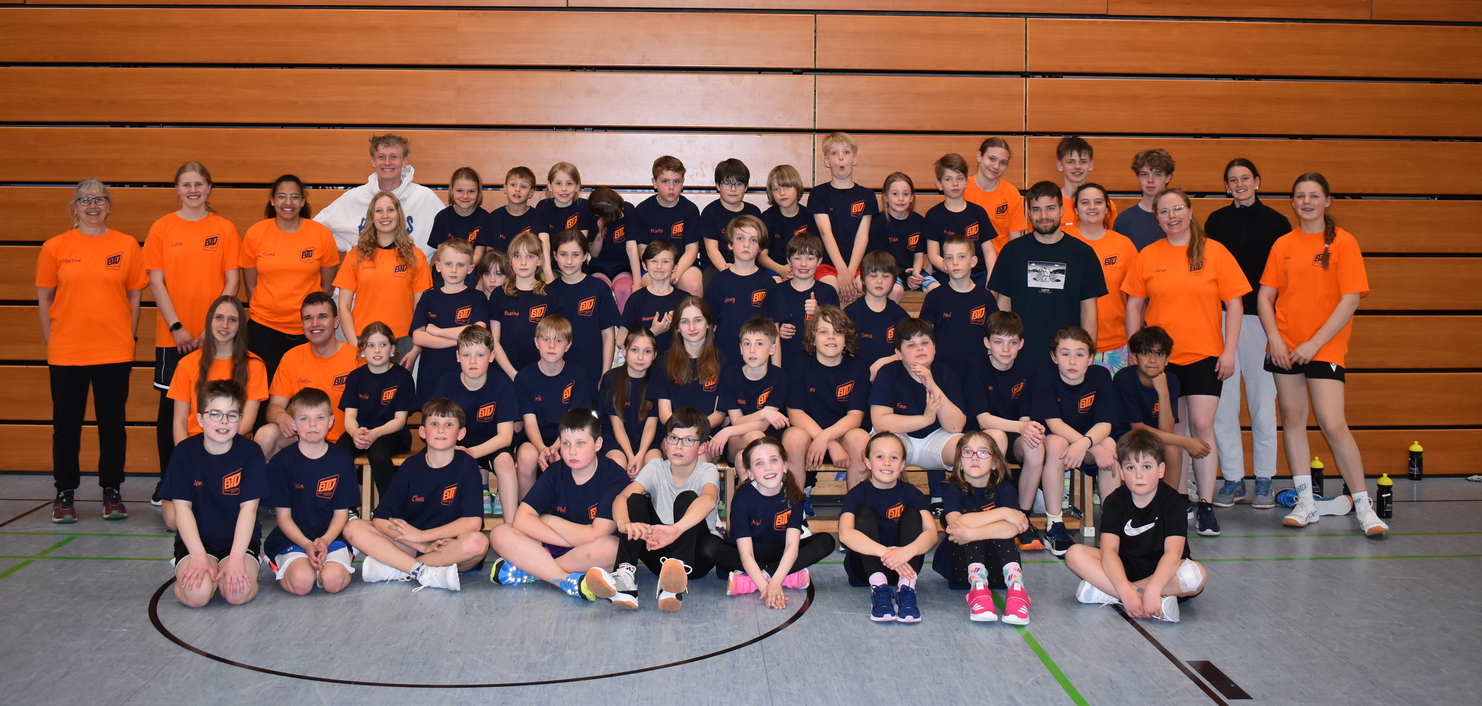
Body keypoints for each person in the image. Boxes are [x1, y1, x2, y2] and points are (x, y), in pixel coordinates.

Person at [1259, 173, 1386, 535]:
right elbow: (1265, 297)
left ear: (1327, 201)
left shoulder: (1344, 242)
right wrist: (1275, 339)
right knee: (1293, 418)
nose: (1307, 202)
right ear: (1293, 202)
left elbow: (1350, 300)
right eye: (1300, 196)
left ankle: (1364, 507)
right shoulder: (1283, 243)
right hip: (1285, 346)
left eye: (1314, 195)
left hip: (1324, 345)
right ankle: (1306, 503)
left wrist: (1314, 344)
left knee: (1332, 423)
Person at [1123, 188, 1250, 538]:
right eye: (1164, 211)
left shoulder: (1215, 252)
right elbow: (1134, 305)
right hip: (1161, 360)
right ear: (1157, 218)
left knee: (1201, 425)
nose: (1172, 216)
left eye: (1178, 208)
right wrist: (1136, 350)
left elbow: (1235, 304)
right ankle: (1175, 502)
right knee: (1172, 432)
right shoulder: (1149, 255)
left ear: (1190, 211)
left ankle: (1205, 505)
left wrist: (1229, 351)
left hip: (1206, 354)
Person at [37, 179, 148, 523]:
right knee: (66, 427)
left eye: (99, 199)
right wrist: (53, 340)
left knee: (112, 425)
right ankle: (64, 493)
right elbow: (44, 298)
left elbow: (134, 296)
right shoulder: (55, 247)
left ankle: (111, 491)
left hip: (114, 351)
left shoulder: (126, 245)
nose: (93, 206)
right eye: (85, 200)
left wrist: (127, 337)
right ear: (75, 207)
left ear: (108, 205)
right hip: (67, 351)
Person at [145, 162, 243, 494]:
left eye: (198, 184)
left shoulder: (224, 228)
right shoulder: (162, 228)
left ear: (209, 187)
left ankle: (218, 480)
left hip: (216, 337)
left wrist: (209, 328)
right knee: (171, 410)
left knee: (220, 406)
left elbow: (232, 282)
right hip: (172, 337)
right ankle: (169, 480)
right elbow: (156, 282)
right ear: (177, 189)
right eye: (186, 185)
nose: (192, 190)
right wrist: (177, 327)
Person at [1206, 158, 1290, 511]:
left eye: (1245, 178)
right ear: (1226, 186)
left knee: (1262, 403)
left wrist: (1277, 330)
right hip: (1222, 320)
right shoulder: (1216, 221)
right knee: (1223, 405)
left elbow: (1284, 279)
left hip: (1261, 321)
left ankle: (1265, 478)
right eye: (1232, 180)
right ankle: (1233, 478)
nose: (1239, 184)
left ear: (1257, 181)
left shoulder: (1277, 222)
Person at [341, 397, 490, 591]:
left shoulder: (467, 465)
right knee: (353, 528)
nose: (441, 429)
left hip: (448, 547)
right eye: (434, 424)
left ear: (461, 434)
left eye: (449, 424)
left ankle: (400, 568)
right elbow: (381, 519)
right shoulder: (410, 466)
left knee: (478, 543)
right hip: (412, 545)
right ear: (422, 432)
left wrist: (423, 536)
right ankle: (421, 570)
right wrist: (421, 544)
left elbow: (473, 522)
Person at [1064, 430, 1208, 624]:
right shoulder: (1114, 501)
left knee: (1196, 575)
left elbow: (1173, 554)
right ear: (1122, 473)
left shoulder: (1173, 502)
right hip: (1123, 570)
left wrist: (1154, 589)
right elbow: (1108, 552)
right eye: (1131, 468)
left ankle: (1109, 593)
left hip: (1165, 576)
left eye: (1146, 467)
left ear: (1161, 470)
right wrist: (1125, 590)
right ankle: (1137, 598)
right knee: (1074, 554)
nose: (1139, 475)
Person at [586, 407, 721, 611]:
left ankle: (674, 583)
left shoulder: (707, 470)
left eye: (688, 440)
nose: (679, 446)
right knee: (634, 499)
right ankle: (625, 579)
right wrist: (624, 524)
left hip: (695, 560)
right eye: (673, 438)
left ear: (702, 447)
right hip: (659, 554)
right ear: (665, 443)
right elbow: (621, 498)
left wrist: (675, 530)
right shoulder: (656, 467)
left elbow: (709, 499)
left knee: (687, 498)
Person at [487, 409, 629, 600]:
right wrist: (566, 539)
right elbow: (521, 519)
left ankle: (532, 569)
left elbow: (597, 534)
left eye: (581, 443)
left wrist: (548, 520)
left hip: (589, 549)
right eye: (566, 443)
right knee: (500, 533)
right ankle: (563, 580)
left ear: (598, 444)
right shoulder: (556, 472)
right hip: (556, 542)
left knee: (613, 549)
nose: (572, 452)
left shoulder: (614, 476)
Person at [161, 296, 268, 526]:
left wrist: (218, 447)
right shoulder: (187, 364)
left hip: (232, 448)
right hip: (195, 448)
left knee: (224, 516)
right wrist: (187, 456)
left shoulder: (254, 365)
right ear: (209, 322)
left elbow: (247, 422)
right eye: (219, 317)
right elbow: (179, 421)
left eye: (232, 320)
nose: (225, 325)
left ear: (240, 326)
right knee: (172, 521)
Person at [160, 381, 266, 607]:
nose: (224, 421)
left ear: (240, 419)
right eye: (215, 414)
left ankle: (237, 569)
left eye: (232, 415)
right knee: (197, 596)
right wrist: (198, 555)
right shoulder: (184, 452)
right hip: (197, 543)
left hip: (239, 544)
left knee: (236, 594)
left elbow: (248, 510)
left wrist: (236, 558)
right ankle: (197, 572)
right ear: (200, 419)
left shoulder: (251, 453)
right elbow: (182, 509)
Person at [701, 438, 834, 606]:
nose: (768, 467)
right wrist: (767, 588)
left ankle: (752, 579)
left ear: (784, 465)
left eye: (774, 460)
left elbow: (791, 546)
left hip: (779, 553)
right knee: (707, 545)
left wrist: (774, 582)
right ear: (750, 473)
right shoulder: (742, 497)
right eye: (759, 463)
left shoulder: (794, 495)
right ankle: (785, 576)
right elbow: (746, 554)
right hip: (746, 555)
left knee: (826, 541)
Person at [987, 181, 1106, 362]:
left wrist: (1087, 354)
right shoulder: (1012, 251)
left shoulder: (1083, 254)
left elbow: (1089, 310)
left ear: (1061, 210)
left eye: (1050, 208)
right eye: (1036, 210)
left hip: (1067, 359)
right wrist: (1001, 353)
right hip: (1020, 357)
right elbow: (1003, 306)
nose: (1043, 216)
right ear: (1029, 213)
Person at [1031, 326, 1123, 556]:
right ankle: (1054, 524)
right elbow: (1054, 424)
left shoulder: (1100, 376)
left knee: (1110, 447)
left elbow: (1105, 424)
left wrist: (1086, 445)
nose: (1072, 361)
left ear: (1090, 359)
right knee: (1057, 444)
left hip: (1089, 441)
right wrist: (1087, 446)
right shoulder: (1045, 374)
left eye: (1080, 354)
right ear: (1054, 357)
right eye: (1065, 354)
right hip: (1060, 441)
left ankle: (1112, 529)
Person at [963, 311, 1047, 551]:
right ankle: (986, 510)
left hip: (1013, 433)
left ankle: (1023, 519)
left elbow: (1024, 417)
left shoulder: (1028, 370)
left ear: (1021, 344)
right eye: (999, 342)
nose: (1006, 349)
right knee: (997, 436)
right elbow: (983, 420)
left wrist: (1030, 429)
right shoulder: (976, 366)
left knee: (1035, 445)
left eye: (1012, 342)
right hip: (981, 435)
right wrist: (1021, 426)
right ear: (987, 342)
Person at [240, 175, 339, 380]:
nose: (288, 202)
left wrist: (312, 319)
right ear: (272, 201)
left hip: (309, 330)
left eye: (294, 197)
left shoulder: (320, 234)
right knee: (263, 391)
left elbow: (327, 287)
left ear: (302, 201)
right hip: (264, 329)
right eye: (281, 196)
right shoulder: (256, 233)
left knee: (307, 392)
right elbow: (250, 286)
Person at [264, 387, 359, 596]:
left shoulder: (342, 461)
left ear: (331, 421)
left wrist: (325, 541)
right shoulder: (281, 464)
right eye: (304, 419)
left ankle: (341, 558)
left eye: (320, 418)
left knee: (332, 582)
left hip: (332, 537)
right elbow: (283, 518)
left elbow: (341, 514)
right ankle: (281, 563)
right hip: (293, 538)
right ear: (293, 423)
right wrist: (307, 545)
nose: (312, 424)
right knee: (302, 583)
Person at [932, 431, 1032, 625]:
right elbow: (956, 523)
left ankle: (1017, 590)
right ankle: (978, 591)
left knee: (979, 518)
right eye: (967, 452)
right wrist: (1003, 513)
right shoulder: (952, 488)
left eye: (983, 452)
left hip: (999, 572)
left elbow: (1014, 529)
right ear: (959, 462)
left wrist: (971, 533)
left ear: (995, 463)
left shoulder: (1005, 489)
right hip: (961, 570)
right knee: (973, 510)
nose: (975, 457)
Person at [839, 432, 938, 623]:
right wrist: (886, 553)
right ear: (868, 463)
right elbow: (845, 534)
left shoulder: (911, 493)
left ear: (902, 465)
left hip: (904, 569)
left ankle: (907, 589)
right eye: (879, 456)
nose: (887, 463)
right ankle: (879, 589)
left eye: (894, 457)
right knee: (864, 512)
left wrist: (907, 552)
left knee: (913, 514)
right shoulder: (857, 494)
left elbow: (932, 533)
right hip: (864, 571)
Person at [868, 318, 967, 500]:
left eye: (925, 343)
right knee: (884, 447)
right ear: (899, 353)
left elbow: (955, 426)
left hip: (935, 438)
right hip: (900, 437)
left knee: (966, 449)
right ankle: (886, 504)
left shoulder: (946, 373)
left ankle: (965, 504)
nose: (920, 348)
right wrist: (925, 419)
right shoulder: (888, 373)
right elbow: (881, 422)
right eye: (911, 345)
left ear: (934, 348)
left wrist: (932, 385)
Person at [255, 292, 361, 461]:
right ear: (302, 324)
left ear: (336, 322)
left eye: (322, 317)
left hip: (346, 443)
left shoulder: (356, 359)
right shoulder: (292, 358)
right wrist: (282, 417)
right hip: (303, 439)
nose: (315, 323)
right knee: (265, 436)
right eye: (308, 318)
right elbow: (274, 406)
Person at [332, 191, 434, 356]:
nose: (385, 215)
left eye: (390, 210)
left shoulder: (416, 256)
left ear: (399, 215)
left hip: (403, 341)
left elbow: (421, 308)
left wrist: (416, 348)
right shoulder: (355, 256)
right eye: (379, 211)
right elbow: (343, 306)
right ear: (371, 217)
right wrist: (354, 344)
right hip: (364, 339)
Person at [433, 326, 518, 520]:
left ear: (491, 356)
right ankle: (439, 522)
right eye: (466, 355)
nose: (472, 361)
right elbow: (436, 427)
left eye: (479, 355)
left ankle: (512, 526)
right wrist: (453, 449)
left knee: (505, 461)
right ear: (458, 356)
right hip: (454, 445)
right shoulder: (446, 384)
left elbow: (505, 437)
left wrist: (471, 452)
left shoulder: (502, 384)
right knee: (434, 458)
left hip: (490, 444)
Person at [782, 306, 873, 489]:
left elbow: (855, 417)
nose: (831, 337)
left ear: (846, 339)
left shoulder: (859, 368)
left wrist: (828, 438)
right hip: (809, 434)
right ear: (813, 338)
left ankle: (858, 505)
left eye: (837, 332)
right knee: (793, 439)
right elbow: (795, 414)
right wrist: (827, 442)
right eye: (823, 332)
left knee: (861, 441)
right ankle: (795, 504)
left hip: (843, 435)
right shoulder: (798, 366)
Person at [315, 133, 445, 257]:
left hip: (413, 270)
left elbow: (449, 236)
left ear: (404, 161)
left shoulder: (424, 198)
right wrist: (349, 246)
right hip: (368, 270)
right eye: (381, 157)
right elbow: (317, 228)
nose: (387, 162)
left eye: (393, 157)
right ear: (373, 161)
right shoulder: (354, 197)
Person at [1111, 326, 1211, 475]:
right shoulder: (1125, 378)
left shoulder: (1171, 380)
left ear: (1167, 360)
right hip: (1124, 437)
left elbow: (1166, 430)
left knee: (1172, 449)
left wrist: (1163, 392)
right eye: (1145, 353)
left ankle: (1168, 492)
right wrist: (1186, 441)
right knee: (1170, 445)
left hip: (1153, 438)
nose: (1152, 360)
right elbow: (1137, 428)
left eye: (1159, 354)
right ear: (1134, 358)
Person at [515, 315, 598, 481]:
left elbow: (574, 422)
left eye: (559, 341)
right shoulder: (524, 377)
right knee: (526, 457)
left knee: (576, 451)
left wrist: (556, 447)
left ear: (568, 345)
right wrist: (542, 449)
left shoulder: (578, 376)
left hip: (569, 436)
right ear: (536, 342)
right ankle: (526, 499)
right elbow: (529, 422)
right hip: (534, 438)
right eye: (546, 339)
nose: (551, 346)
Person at [337, 322, 416, 495]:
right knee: (340, 452)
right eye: (371, 345)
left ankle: (389, 503)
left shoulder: (402, 377)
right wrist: (355, 433)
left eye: (383, 345)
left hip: (392, 434)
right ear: (362, 351)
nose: (377, 350)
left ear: (392, 349)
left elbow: (400, 420)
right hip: (361, 432)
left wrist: (376, 433)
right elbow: (349, 417)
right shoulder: (355, 377)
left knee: (378, 453)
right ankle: (348, 504)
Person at [1069, 183, 1139, 373]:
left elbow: (1136, 300)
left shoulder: (1123, 245)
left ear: (1107, 208)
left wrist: (1134, 344)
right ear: (1075, 209)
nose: (1092, 207)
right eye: (1085, 202)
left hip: (1115, 347)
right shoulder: (1062, 241)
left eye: (1098, 202)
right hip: (1069, 347)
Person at [410, 238, 488, 402]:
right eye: (448, 264)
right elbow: (418, 337)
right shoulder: (428, 297)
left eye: (460, 265)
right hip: (432, 373)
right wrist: (461, 340)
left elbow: (478, 331)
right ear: (438, 266)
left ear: (470, 268)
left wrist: (437, 332)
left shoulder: (477, 297)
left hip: (464, 374)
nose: (454, 270)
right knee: (433, 415)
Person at [920, 234, 998, 383]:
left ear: (973, 261)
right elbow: (924, 337)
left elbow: (994, 336)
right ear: (944, 264)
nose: (955, 262)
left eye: (961, 257)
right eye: (949, 258)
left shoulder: (985, 298)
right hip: (943, 375)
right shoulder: (934, 297)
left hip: (978, 375)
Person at [711, 316, 790, 464]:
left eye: (759, 344)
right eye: (747, 343)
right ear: (741, 349)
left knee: (749, 453)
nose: (752, 350)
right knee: (756, 438)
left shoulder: (780, 377)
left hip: (768, 438)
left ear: (772, 349)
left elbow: (764, 424)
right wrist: (763, 413)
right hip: (738, 438)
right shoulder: (730, 376)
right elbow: (736, 421)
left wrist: (726, 431)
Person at [808, 132, 876, 302]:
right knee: (830, 288)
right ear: (826, 161)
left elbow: (862, 236)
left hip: (857, 264)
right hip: (827, 263)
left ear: (854, 158)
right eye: (834, 153)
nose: (840, 157)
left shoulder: (867, 195)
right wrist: (841, 270)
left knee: (870, 287)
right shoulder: (818, 194)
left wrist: (850, 272)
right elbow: (825, 232)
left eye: (846, 152)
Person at [548, 228, 621, 375]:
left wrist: (605, 374)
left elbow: (608, 336)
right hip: (557, 372)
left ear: (585, 256)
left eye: (575, 255)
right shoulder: (548, 292)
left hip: (592, 370)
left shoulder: (599, 289)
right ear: (555, 256)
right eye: (563, 254)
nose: (569, 261)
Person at [628, 155, 703, 296]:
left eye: (676, 181)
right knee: (656, 288)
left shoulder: (690, 209)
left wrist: (678, 271)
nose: (671, 187)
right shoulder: (643, 210)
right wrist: (661, 268)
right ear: (654, 183)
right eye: (665, 181)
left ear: (683, 182)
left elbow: (692, 249)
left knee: (694, 286)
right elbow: (643, 249)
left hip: (683, 264)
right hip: (653, 266)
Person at [764, 233, 840, 366]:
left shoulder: (828, 292)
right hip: (786, 362)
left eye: (810, 258)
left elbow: (838, 330)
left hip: (818, 365)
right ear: (789, 261)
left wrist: (818, 313)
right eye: (797, 258)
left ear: (819, 261)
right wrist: (778, 331)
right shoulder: (777, 291)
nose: (803, 264)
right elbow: (765, 328)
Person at [652, 296, 727, 430]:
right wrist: (684, 434)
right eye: (685, 322)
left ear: (708, 324)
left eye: (698, 320)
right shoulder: (663, 363)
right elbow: (664, 414)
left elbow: (719, 414)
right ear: (677, 327)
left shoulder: (723, 361)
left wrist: (695, 433)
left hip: (709, 434)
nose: (692, 328)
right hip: (675, 433)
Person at [703, 214, 774, 355]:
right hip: (723, 359)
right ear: (730, 244)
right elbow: (709, 327)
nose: (746, 244)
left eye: (753, 240)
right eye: (740, 238)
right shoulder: (717, 283)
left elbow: (774, 329)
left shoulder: (768, 283)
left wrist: (776, 367)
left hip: (758, 359)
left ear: (760, 247)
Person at [925, 153, 996, 286]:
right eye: (948, 179)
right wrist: (954, 270)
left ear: (967, 182)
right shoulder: (933, 215)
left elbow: (989, 251)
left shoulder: (978, 212)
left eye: (959, 178)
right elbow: (933, 255)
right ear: (939, 185)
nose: (955, 183)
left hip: (978, 274)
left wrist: (992, 279)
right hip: (947, 274)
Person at [601, 328, 663, 477]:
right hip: (616, 439)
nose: (640, 357)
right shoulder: (611, 379)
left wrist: (640, 455)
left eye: (647, 352)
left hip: (647, 441)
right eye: (635, 350)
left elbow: (651, 424)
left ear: (654, 355)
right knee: (618, 463)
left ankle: (645, 493)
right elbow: (617, 424)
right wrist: (630, 456)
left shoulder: (657, 381)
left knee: (654, 464)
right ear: (624, 350)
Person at [489, 232, 550, 379]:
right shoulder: (499, 295)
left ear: (540, 260)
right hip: (505, 374)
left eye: (529, 256)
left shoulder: (551, 295)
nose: (523, 262)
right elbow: (494, 341)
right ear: (510, 260)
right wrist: (514, 375)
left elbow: (554, 341)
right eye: (517, 256)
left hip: (540, 375)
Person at [843, 250, 911, 374]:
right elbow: (843, 351)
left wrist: (883, 363)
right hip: (857, 376)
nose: (879, 281)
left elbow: (909, 349)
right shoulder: (850, 313)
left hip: (890, 376)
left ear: (893, 281)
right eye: (873, 276)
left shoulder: (900, 315)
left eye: (886, 276)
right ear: (863, 279)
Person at [868, 172, 931, 298]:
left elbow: (919, 255)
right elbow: (879, 260)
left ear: (912, 197)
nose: (901, 198)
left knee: (935, 289)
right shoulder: (878, 223)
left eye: (905, 194)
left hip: (913, 271)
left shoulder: (919, 221)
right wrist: (903, 274)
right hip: (887, 271)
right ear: (885, 197)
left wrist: (915, 274)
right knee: (896, 290)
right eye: (895, 194)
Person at [426, 166, 490, 288]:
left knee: (469, 284)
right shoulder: (442, 217)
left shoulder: (484, 217)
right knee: (441, 284)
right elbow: (442, 252)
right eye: (459, 191)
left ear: (478, 192)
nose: (465, 196)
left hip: (471, 267)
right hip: (447, 266)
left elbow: (478, 254)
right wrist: (452, 268)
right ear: (452, 191)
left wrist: (462, 268)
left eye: (471, 191)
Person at [620, 240, 686, 353]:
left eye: (665, 261)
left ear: (675, 267)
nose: (659, 266)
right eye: (654, 261)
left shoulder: (684, 299)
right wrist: (652, 332)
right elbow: (620, 340)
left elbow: (697, 335)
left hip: (677, 361)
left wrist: (679, 324)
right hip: (646, 362)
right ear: (644, 265)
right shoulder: (636, 299)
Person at [700, 158, 763, 273]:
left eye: (739, 184)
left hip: (748, 265)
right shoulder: (710, 212)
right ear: (718, 186)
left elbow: (758, 247)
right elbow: (711, 249)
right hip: (716, 267)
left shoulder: (754, 212)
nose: (733, 189)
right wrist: (729, 272)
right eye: (727, 183)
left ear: (746, 187)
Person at [963, 136, 1028, 248]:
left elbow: (1015, 242)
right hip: (965, 257)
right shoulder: (961, 188)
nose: (996, 166)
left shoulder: (1011, 193)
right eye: (992, 159)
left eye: (1003, 162)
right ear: (979, 156)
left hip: (1000, 258)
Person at [535, 162, 594, 282]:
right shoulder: (543, 207)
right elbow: (544, 244)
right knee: (544, 284)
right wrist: (549, 276)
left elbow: (580, 245)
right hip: (551, 266)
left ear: (577, 186)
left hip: (577, 267)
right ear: (550, 186)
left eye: (569, 183)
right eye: (558, 183)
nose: (564, 189)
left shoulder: (583, 207)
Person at [759, 164, 818, 278]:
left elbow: (816, 253)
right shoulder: (767, 218)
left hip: (804, 267)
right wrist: (781, 269)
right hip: (774, 268)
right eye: (776, 189)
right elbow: (761, 256)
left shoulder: (809, 217)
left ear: (797, 187)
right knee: (775, 283)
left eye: (787, 187)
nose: (782, 193)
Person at [1055, 136, 1117, 236]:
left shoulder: (1105, 205)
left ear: (1090, 165)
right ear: (1060, 165)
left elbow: (1112, 239)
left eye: (1083, 161)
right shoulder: (1051, 205)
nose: (1077, 167)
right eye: (1071, 162)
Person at [585, 186, 636, 310]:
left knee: (623, 289)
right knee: (600, 289)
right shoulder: (592, 216)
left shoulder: (628, 209)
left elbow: (632, 247)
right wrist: (600, 234)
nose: (621, 214)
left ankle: (623, 323)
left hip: (623, 265)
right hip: (599, 265)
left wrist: (637, 282)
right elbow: (594, 254)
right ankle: (606, 323)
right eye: (617, 214)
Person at [1115, 149, 1175, 251]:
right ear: (1138, 177)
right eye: (1144, 174)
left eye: (1157, 174)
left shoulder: (1177, 218)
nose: (1150, 180)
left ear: (1168, 178)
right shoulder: (1124, 220)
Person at [486, 166, 541, 253]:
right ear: (505, 188)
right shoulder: (494, 218)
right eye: (513, 185)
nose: (517, 189)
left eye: (523, 186)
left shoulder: (538, 218)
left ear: (530, 193)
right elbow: (490, 253)